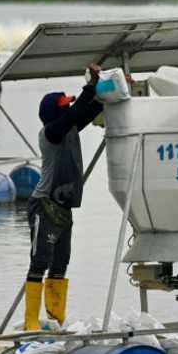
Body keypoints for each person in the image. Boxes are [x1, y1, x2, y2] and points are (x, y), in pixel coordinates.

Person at [23, 64, 106, 331]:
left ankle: (56, 320)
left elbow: (89, 110)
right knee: (40, 262)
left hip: (63, 208)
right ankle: (31, 322)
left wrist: (107, 90)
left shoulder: (68, 128)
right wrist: (90, 86)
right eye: (63, 106)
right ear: (53, 113)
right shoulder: (51, 133)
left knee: (60, 263)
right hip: (44, 205)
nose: (68, 108)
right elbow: (76, 113)